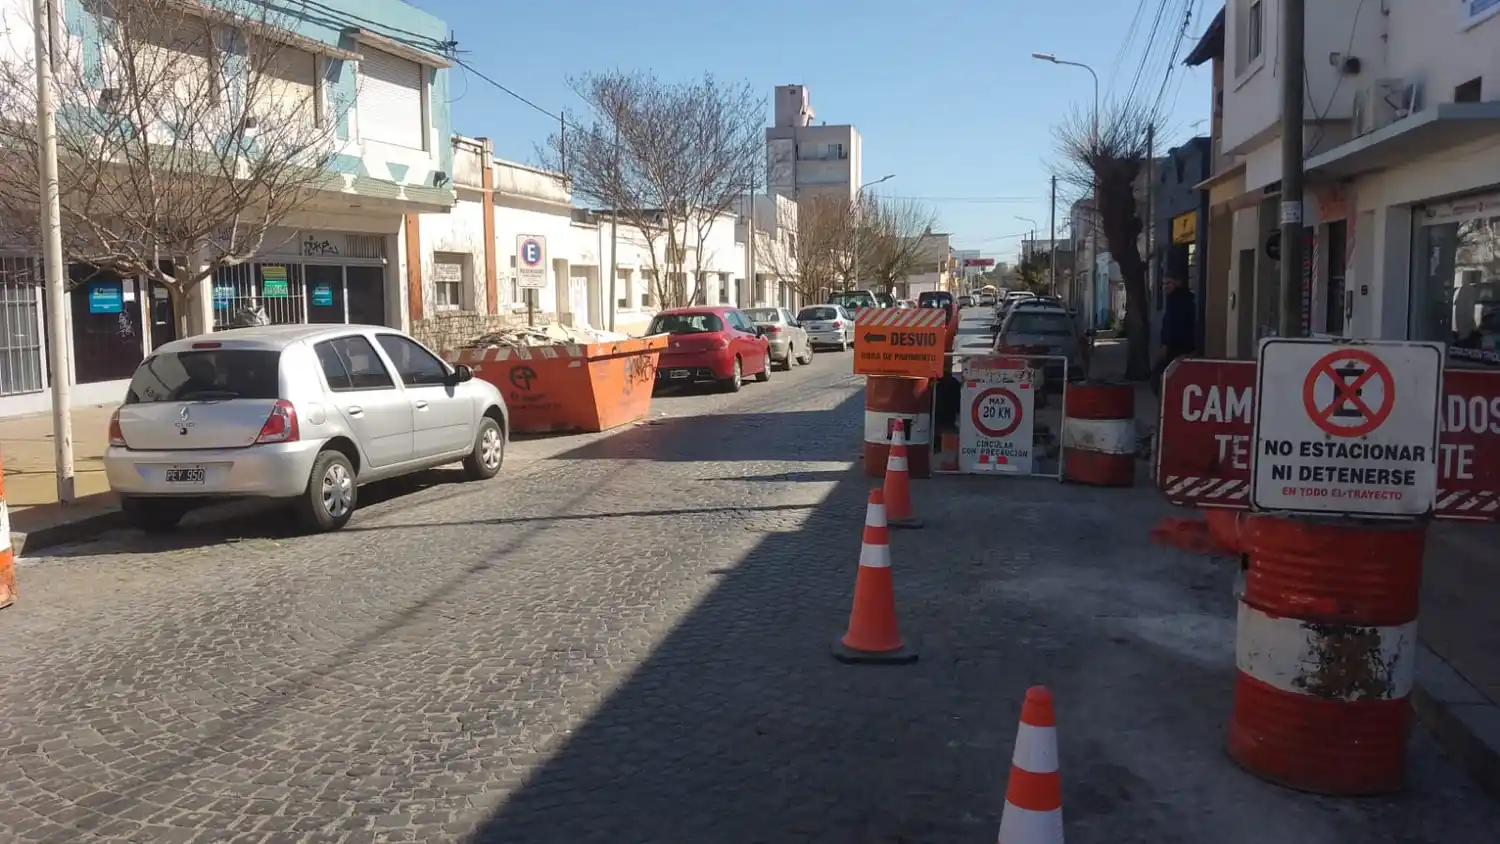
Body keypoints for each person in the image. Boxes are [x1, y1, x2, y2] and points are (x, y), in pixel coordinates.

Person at [1152, 274, 1196, 396]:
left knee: (1159, 379)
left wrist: (1166, 345)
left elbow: (1173, 327)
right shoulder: (1174, 300)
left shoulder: (1180, 302)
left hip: (1177, 349)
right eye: (1164, 284)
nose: (1165, 287)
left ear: (1178, 282)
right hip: (1176, 349)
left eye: (1168, 283)